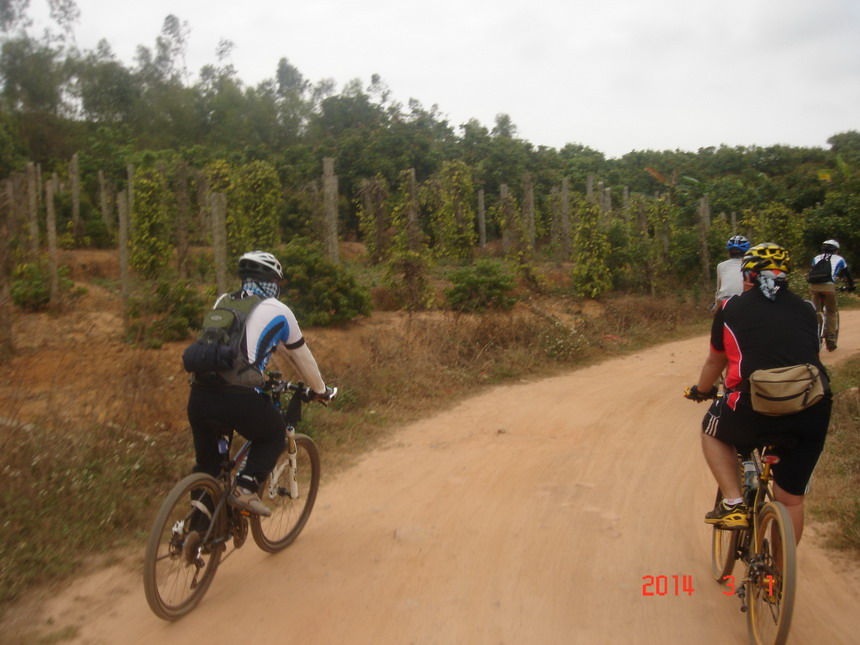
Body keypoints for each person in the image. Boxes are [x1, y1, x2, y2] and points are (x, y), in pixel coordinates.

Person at [686, 243, 832, 544]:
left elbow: (715, 361)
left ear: (748, 276)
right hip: (812, 407)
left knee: (711, 429)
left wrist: (702, 390)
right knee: (791, 500)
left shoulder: (730, 308)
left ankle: (733, 503)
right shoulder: (807, 309)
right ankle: (779, 571)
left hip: (753, 405)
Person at [187, 250, 334, 516]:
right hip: (237, 398)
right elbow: (301, 356)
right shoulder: (280, 310)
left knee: (208, 466)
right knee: (274, 434)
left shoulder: (223, 301)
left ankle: (196, 529)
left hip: (199, 395)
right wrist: (320, 390)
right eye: (277, 282)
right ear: (272, 281)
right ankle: (246, 487)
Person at [807, 239, 855, 351]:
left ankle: (815, 335)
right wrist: (851, 286)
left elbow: (812, 272)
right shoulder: (840, 259)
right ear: (836, 250)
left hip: (813, 287)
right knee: (831, 312)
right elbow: (847, 274)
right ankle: (831, 339)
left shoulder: (816, 258)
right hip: (829, 287)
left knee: (815, 311)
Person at [711, 235, 751, 312]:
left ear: (729, 252)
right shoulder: (750, 266)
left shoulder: (721, 266)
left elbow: (718, 290)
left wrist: (715, 306)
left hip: (724, 301)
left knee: (718, 317)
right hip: (744, 300)